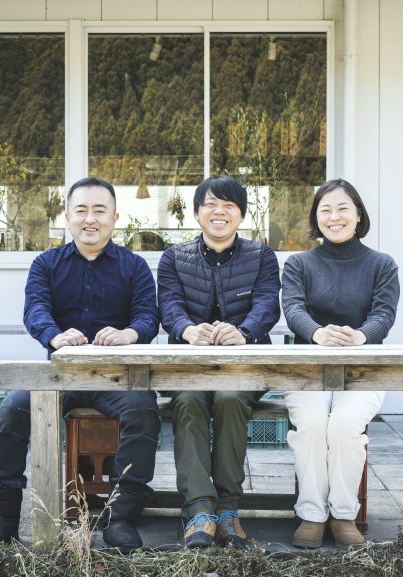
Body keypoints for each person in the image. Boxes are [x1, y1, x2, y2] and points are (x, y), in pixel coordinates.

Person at [0, 177, 160, 552]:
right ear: (67, 216)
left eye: (99, 210)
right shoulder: (46, 263)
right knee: (12, 409)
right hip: (60, 373)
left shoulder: (134, 266)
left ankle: (121, 517)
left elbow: (148, 316)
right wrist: (54, 336)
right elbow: (35, 309)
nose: (90, 219)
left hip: (115, 377)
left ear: (115, 217)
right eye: (81, 210)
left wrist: (131, 333)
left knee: (144, 411)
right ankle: (3, 514)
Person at [157, 175, 281, 548]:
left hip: (244, 369)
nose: (219, 211)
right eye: (210, 204)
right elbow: (169, 305)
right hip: (187, 368)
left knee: (228, 398)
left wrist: (244, 331)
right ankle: (198, 510)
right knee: (190, 401)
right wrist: (186, 329)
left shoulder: (261, 256)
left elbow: (266, 305)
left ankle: (227, 508)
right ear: (196, 213)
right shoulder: (174, 257)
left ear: (241, 215)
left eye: (229, 205)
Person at [282, 178, 399, 549]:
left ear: (358, 214)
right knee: (313, 424)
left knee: (346, 425)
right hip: (307, 368)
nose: (334, 217)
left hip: (363, 367)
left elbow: (384, 313)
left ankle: (344, 514)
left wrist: (361, 335)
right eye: (325, 210)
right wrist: (317, 333)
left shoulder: (382, 264)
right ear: (316, 218)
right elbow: (293, 308)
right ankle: (312, 514)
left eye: (342, 208)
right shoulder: (299, 263)